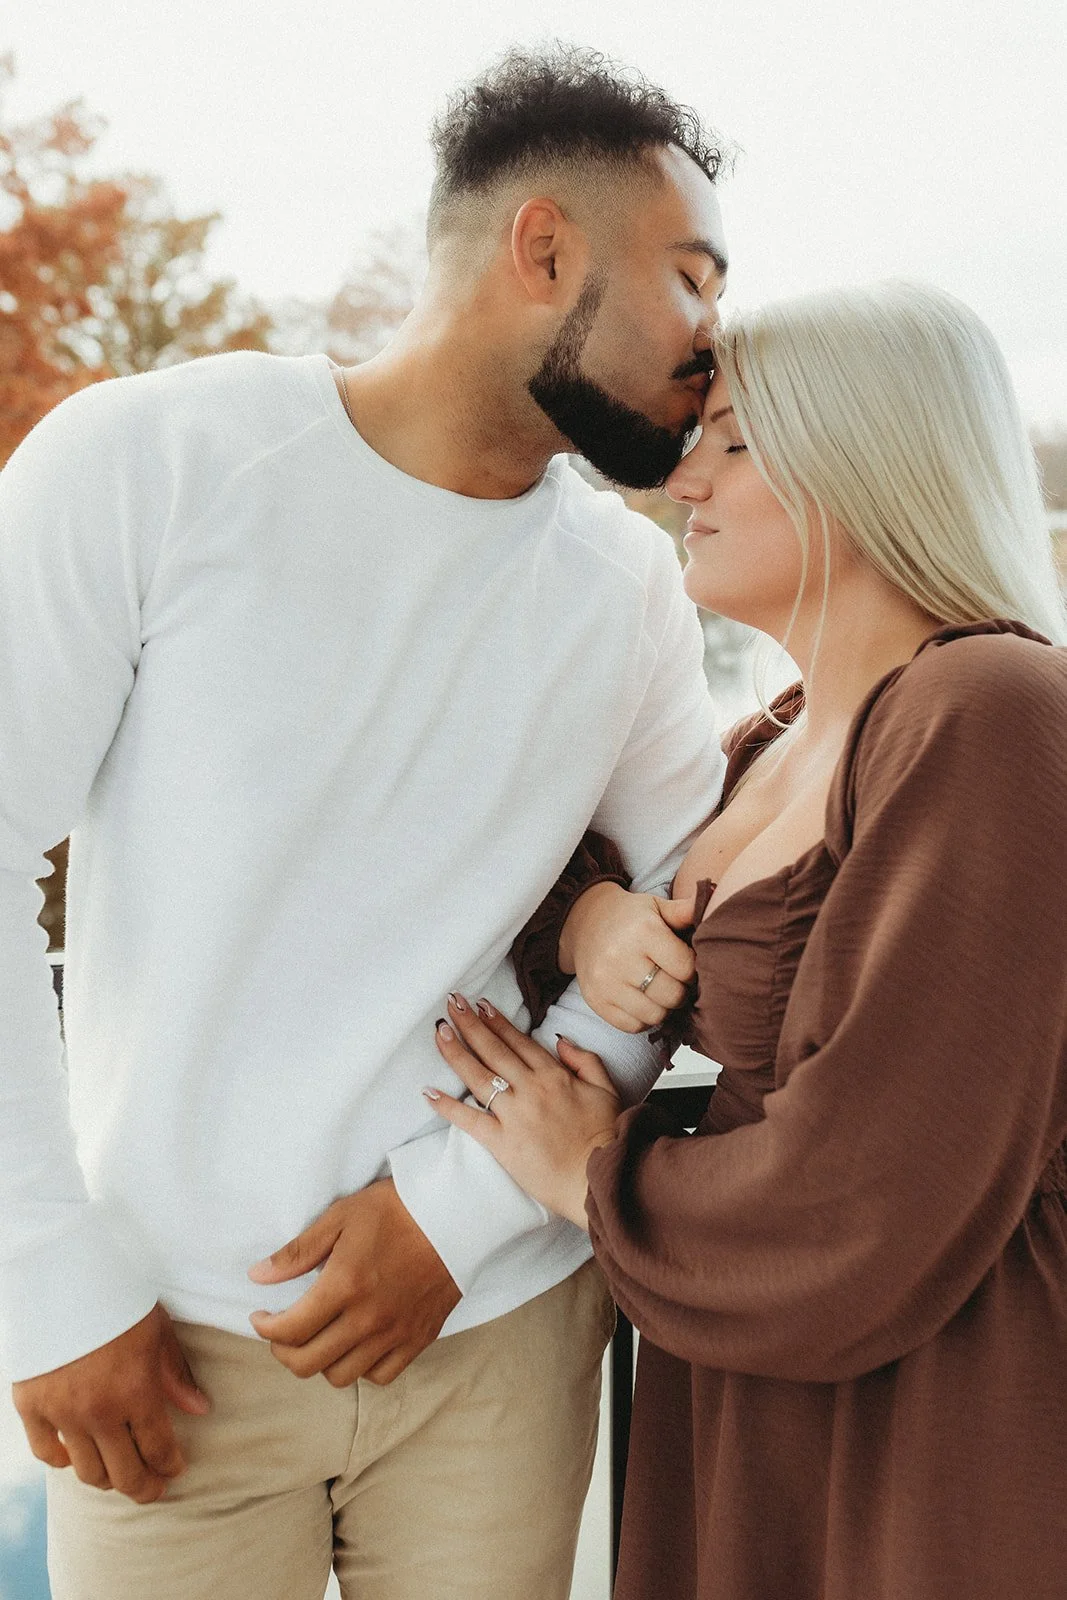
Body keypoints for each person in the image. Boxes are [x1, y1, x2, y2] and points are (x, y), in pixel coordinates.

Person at [0, 46, 731, 1600]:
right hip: (160, 1347)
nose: (712, 342)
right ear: (545, 251)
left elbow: (692, 906)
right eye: (689, 279)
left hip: (496, 1332)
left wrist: (459, 1221)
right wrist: (46, 1284)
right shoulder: (146, 462)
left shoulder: (627, 589)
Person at [429, 279, 1067, 1600]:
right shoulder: (767, 749)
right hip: (749, 1386)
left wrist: (586, 1174)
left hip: (933, 1394)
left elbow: (877, 1182)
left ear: (860, 457)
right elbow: (561, 880)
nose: (683, 488)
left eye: (729, 442)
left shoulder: (987, 705)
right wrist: (596, 913)